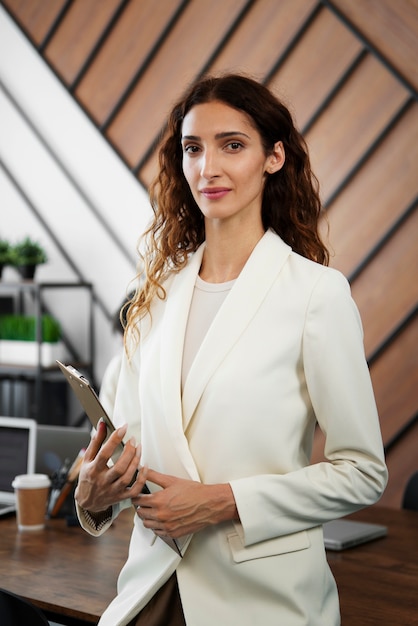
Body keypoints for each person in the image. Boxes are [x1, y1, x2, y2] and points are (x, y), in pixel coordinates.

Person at [75, 73, 388, 626]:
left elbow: (361, 472)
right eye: (193, 148)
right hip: (150, 596)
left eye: (233, 145)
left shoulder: (316, 294)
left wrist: (222, 501)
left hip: (263, 602)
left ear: (273, 158)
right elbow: (125, 453)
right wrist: (96, 495)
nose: (208, 168)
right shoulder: (151, 297)